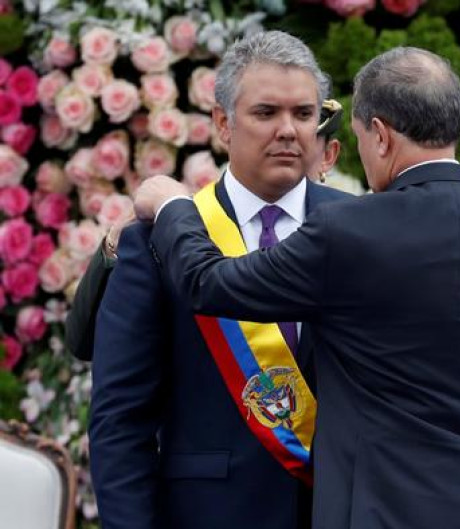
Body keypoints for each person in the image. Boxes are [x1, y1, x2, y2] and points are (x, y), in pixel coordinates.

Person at [133, 46, 460, 528]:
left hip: (386, 510)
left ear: (380, 135)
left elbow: (209, 284)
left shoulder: (349, 231)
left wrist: (173, 206)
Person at [88, 31, 350, 529]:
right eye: (266, 113)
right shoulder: (156, 241)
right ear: (223, 124)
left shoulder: (361, 227)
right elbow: (121, 424)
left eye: (303, 114)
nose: (289, 131)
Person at [64, 99, 344, 362]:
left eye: (302, 125)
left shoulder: (353, 230)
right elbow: (89, 342)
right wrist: (114, 246)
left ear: (328, 157)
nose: (286, 143)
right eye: (267, 120)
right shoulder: (188, 223)